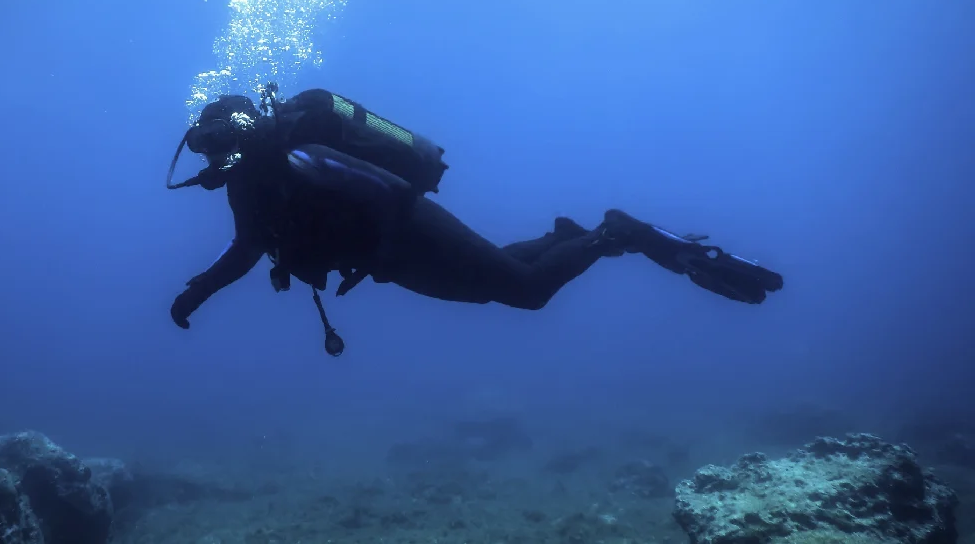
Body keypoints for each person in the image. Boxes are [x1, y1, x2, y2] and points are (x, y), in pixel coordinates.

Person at [165, 84, 783, 355]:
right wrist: (198, 291)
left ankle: (616, 231)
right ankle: (563, 238)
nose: (211, 156)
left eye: (216, 140)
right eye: (202, 146)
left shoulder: (298, 156)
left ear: (242, 128)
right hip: (385, 260)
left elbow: (388, 193)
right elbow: (247, 246)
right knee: (497, 284)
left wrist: (387, 249)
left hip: (409, 232)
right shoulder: (248, 185)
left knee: (526, 292)